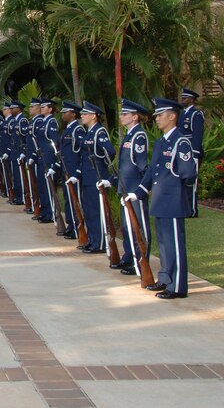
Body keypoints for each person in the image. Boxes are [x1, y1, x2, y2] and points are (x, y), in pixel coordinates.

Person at [126, 98, 198, 299]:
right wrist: (139, 191)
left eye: (160, 114)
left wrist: (174, 185)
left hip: (173, 201)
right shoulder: (161, 141)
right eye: (156, 114)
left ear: (172, 116)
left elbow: (188, 174)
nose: (156, 118)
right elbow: (151, 171)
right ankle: (166, 279)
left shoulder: (180, 141)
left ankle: (177, 286)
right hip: (160, 200)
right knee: (164, 244)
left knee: (174, 244)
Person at [115, 98, 150, 276]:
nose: (121, 116)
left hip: (134, 188)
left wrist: (140, 190)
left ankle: (141, 259)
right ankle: (130, 256)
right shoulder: (129, 134)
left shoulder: (139, 136)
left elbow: (142, 166)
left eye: (125, 114)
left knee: (138, 225)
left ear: (135, 117)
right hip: (125, 187)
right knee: (127, 226)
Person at [76, 101, 115, 254]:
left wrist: (101, 166)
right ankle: (92, 239)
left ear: (93, 116)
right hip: (87, 175)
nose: (82, 116)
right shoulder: (89, 132)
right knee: (89, 209)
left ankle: (99, 243)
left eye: (85, 114)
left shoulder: (99, 132)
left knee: (96, 210)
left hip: (96, 175)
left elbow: (109, 152)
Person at [56, 100, 85, 240]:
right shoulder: (68, 129)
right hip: (66, 169)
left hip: (74, 171)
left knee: (75, 200)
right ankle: (71, 225)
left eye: (65, 112)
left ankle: (77, 227)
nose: (62, 114)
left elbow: (81, 152)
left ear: (73, 114)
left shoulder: (78, 130)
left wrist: (78, 171)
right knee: (68, 199)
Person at [179, 87, 205, 218]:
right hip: (183, 152)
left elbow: (197, 135)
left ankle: (192, 210)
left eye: (185, 98)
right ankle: (185, 207)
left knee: (192, 182)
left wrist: (195, 153)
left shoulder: (196, 114)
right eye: (182, 98)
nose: (183, 100)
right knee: (183, 180)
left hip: (192, 152)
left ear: (192, 100)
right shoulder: (183, 113)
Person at [35, 98, 59, 223]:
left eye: (44, 107)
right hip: (42, 157)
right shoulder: (43, 122)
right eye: (41, 107)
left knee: (48, 186)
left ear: (50, 109)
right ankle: (44, 211)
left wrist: (54, 161)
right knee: (41, 186)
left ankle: (51, 213)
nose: (42, 109)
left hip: (48, 157)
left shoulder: (51, 122)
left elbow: (55, 142)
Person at [24, 98, 42, 210]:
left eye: (32, 106)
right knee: (32, 183)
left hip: (35, 157)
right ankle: (35, 204)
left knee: (36, 184)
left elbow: (38, 141)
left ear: (38, 108)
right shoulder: (32, 121)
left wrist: (33, 156)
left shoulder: (39, 121)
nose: (30, 109)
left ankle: (38, 206)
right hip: (30, 155)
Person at [7, 101, 25, 206]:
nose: (11, 110)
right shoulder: (15, 121)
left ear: (19, 109)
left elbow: (23, 139)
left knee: (20, 177)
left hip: (19, 152)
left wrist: (23, 152)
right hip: (14, 152)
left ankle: (22, 198)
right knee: (15, 176)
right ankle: (18, 196)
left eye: (13, 108)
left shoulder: (22, 120)